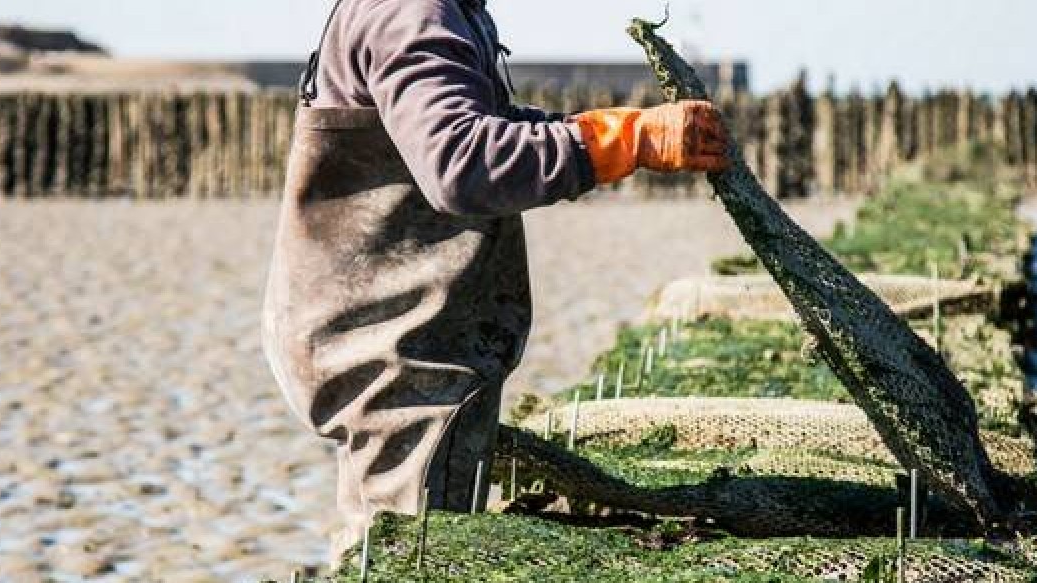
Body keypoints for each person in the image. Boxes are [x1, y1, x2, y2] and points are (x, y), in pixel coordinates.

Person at [260, 0, 729, 563]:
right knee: (415, 555)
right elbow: (460, 162)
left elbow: (475, 129)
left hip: (388, 333)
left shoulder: (438, 11)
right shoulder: (413, 12)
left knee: (389, 542)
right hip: (397, 348)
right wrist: (618, 143)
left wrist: (590, 131)